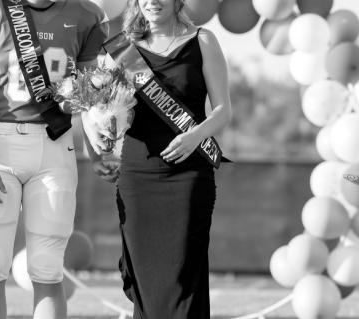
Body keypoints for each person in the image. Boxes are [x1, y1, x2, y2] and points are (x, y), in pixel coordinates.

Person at [0, 0, 113, 318]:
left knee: (48, 269)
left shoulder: (87, 14)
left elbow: (86, 98)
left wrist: (95, 153)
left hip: (54, 145)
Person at [112, 0, 232, 318]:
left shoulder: (202, 40)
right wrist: (100, 132)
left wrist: (195, 136)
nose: (153, 2)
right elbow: (103, 110)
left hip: (190, 175)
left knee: (184, 273)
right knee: (142, 274)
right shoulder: (123, 51)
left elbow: (223, 111)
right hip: (139, 176)